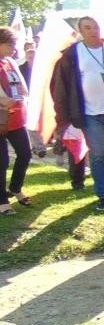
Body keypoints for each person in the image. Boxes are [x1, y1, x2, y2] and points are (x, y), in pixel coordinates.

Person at [50, 16, 104, 211]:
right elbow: (60, 88)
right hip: (90, 113)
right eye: (88, 28)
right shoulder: (72, 54)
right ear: (81, 32)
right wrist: (63, 118)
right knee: (99, 154)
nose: (93, 31)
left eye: (96, 26)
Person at [1, 27, 33, 213]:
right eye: (10, 44)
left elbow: (21, 86)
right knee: (1, 161)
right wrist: (9, 102)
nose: (14, 48)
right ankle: (2, 200)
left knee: (25, 154)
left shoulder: (11, 62)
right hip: (1, 118)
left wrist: (21, 99)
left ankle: (15, 188)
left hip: (16, 117)